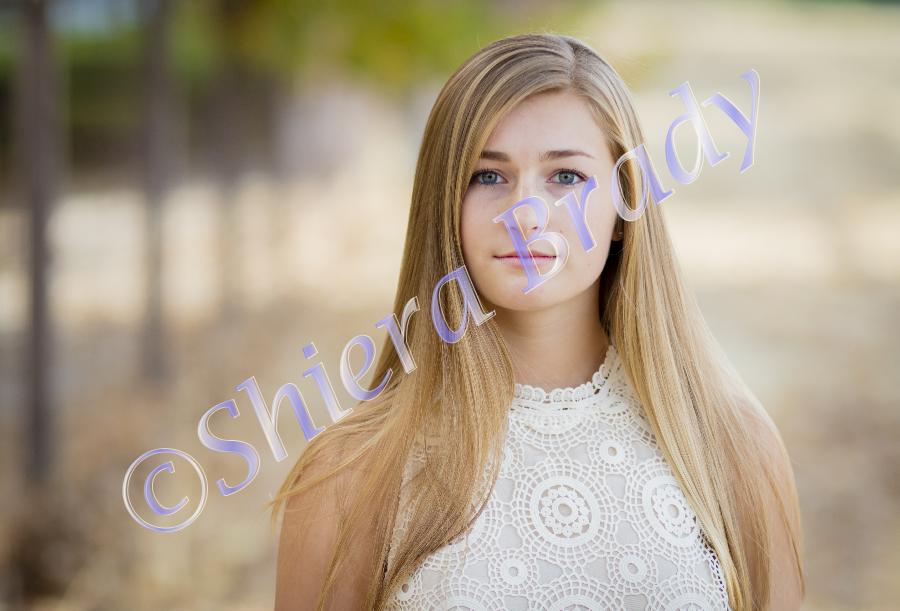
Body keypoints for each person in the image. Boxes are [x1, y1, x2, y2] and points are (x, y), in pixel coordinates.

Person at [270, 32, 805, 610]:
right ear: (442, 205)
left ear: (625, 207)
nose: (525, 215)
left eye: (566, 177)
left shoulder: (732, 445)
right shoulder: (350, 473)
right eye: (488, 176)